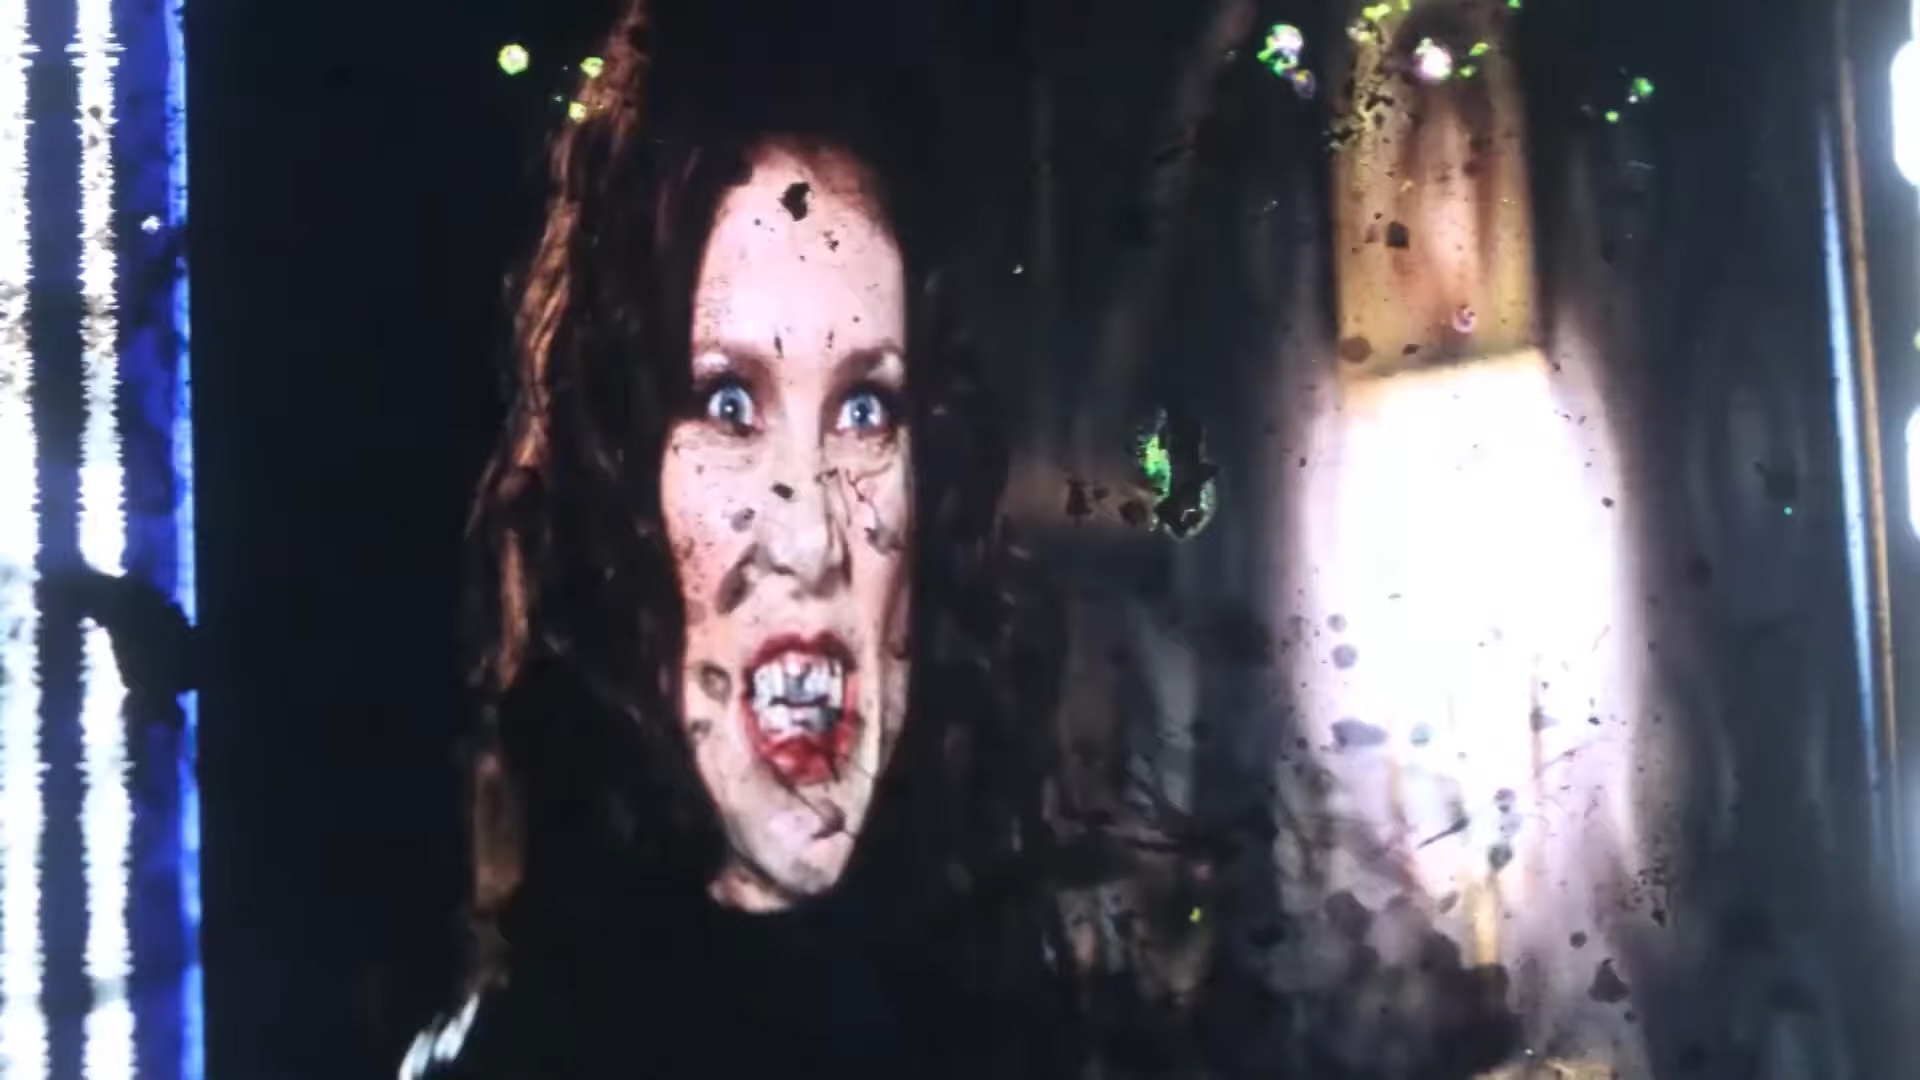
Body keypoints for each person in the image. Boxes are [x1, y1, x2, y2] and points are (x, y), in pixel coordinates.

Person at [399, 2, 1079, 1077]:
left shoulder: (1021, 1027)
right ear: (616, 487)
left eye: (865, 410)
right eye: (728, 405)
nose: (810, 534)